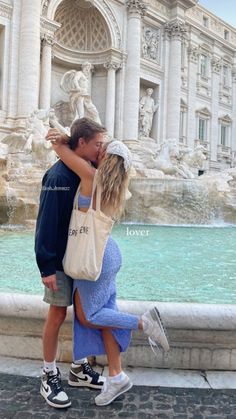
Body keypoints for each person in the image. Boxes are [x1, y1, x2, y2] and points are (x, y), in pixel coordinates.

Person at [47, 130, 170, 407]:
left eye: (101, 148)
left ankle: (145, 323)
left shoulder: (91, 179)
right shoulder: (116, 186)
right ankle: (116, 376)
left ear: (104, 156)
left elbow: (63, 152)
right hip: (107, 253)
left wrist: (63, 140)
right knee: (105, 317)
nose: (97, 149)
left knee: (91, 316)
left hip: (94, 258)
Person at [35, 118, 107, 409]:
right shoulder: (59, 177)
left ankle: (78, 369)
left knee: (79, 313)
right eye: (97, 144)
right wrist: (46, 267)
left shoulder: (84, 169)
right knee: (56, 314)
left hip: (78, 255)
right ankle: (48, 373)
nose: (101, 149)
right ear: (81, 145)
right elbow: (46, 223)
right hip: (59, 261)